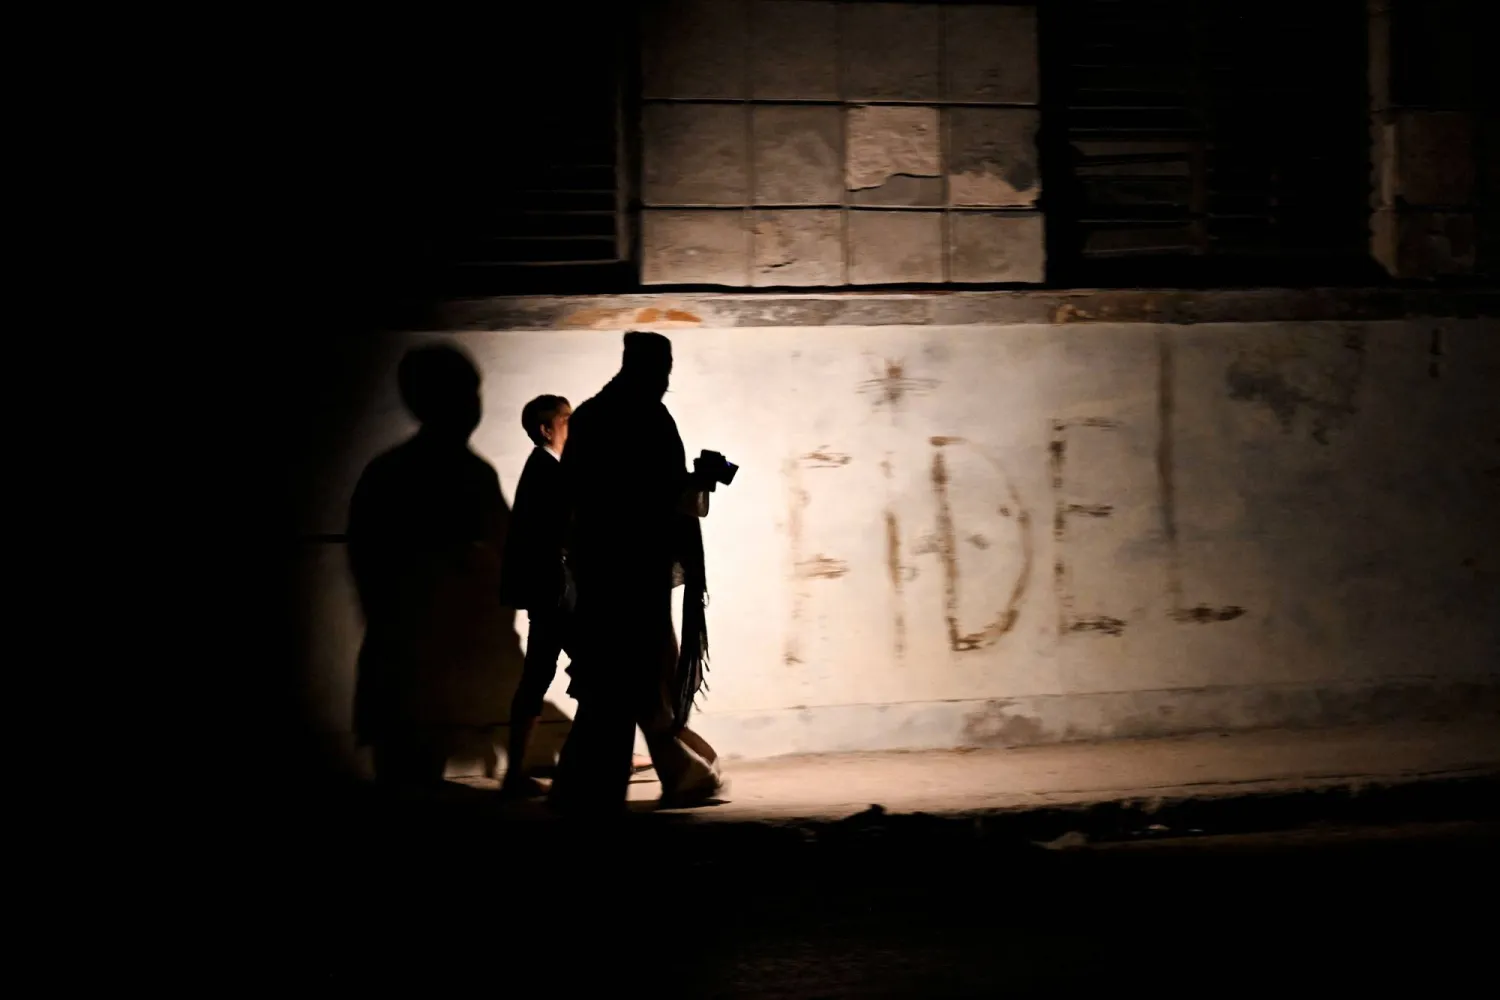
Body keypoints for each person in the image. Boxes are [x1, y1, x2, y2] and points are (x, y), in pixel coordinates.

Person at [548, 331, 725, 814]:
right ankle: (654, 778)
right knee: (630, 677)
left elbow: (576, 495)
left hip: (603, 566)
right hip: (636, 569)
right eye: (664, 369)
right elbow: (659, 496)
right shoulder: (650, 418)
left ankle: (663, 776)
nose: (666, 380)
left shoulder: (590, 417)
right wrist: (698, 483)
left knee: (620, 678)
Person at [347, 343, 508, 788]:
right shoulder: (467, 476)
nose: (474, 404)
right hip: (430, 669)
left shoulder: (386, 474)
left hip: (407, 665)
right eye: (466, 393)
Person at [497, 393, 652, 797]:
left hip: (554, 590)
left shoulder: (551, 469)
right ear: (547, 429)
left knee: (562, 675)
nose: (574, 424)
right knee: (602, 671)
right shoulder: (548, 471)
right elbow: (571, 527)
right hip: (558, 591)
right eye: (566, 419)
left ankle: (522, 771)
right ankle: (600, 759)